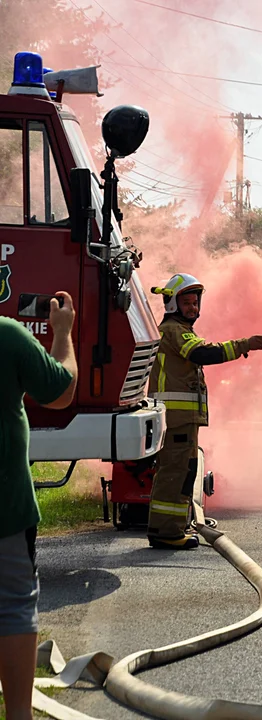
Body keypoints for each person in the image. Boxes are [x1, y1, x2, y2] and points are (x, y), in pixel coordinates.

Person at [147, 273, 262, 549]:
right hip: (176, 419)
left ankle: (171, 528)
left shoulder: (177, 330)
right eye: (186, 303)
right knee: (175, 473)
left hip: (180, 420)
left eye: (195, 303)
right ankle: (165, 532)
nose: (193, 308)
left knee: (183, 472)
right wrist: (243, 345)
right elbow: (202, 353)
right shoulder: (175, 331)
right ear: (173, 305)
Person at [0, 292, 77, 720]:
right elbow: (62, 390)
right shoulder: (8, 336)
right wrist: (62, 333)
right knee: (12, 605)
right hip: (5, 507)